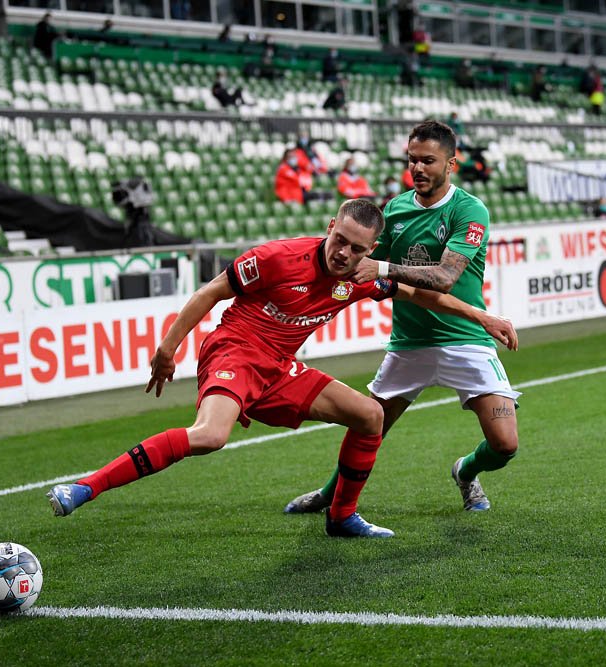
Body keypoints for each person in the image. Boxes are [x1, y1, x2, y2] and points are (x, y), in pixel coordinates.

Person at [47, 199, 517, 539]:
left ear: (371, 249)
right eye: (339, 240)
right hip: (234, 352)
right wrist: (168, 349)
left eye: (356, 248)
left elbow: (422, 294)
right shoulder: (277, 257)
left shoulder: (362, 276)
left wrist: (483, 317)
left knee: (370, 415)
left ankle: (341, 517)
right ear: (330, 227)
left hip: (280, 368)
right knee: (210, 436)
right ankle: (85, 487)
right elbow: (210, 292)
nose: (343, 253)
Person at [285, 120, 522, 517]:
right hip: (409, 344)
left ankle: (465, 471)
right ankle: (328, 495)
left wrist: (382, 269)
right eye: (412, 159)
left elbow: (444, 278)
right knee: (369, 425)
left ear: (451, 164)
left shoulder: (469, 210)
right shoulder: (394, 210)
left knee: (505, 445)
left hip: (465, 338)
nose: (417, 168)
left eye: (428, 160)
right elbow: (359, 264)